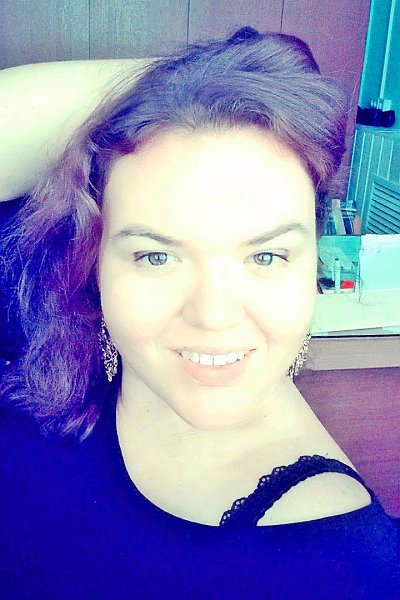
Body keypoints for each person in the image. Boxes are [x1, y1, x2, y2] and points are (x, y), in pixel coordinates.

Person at [0, 26, 398, 599]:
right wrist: (198, 82)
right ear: (95, 258)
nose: (213, 316)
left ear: (314, 261)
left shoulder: (349, 569)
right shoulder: (36, 317)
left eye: (266, 255)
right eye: (156, 256)